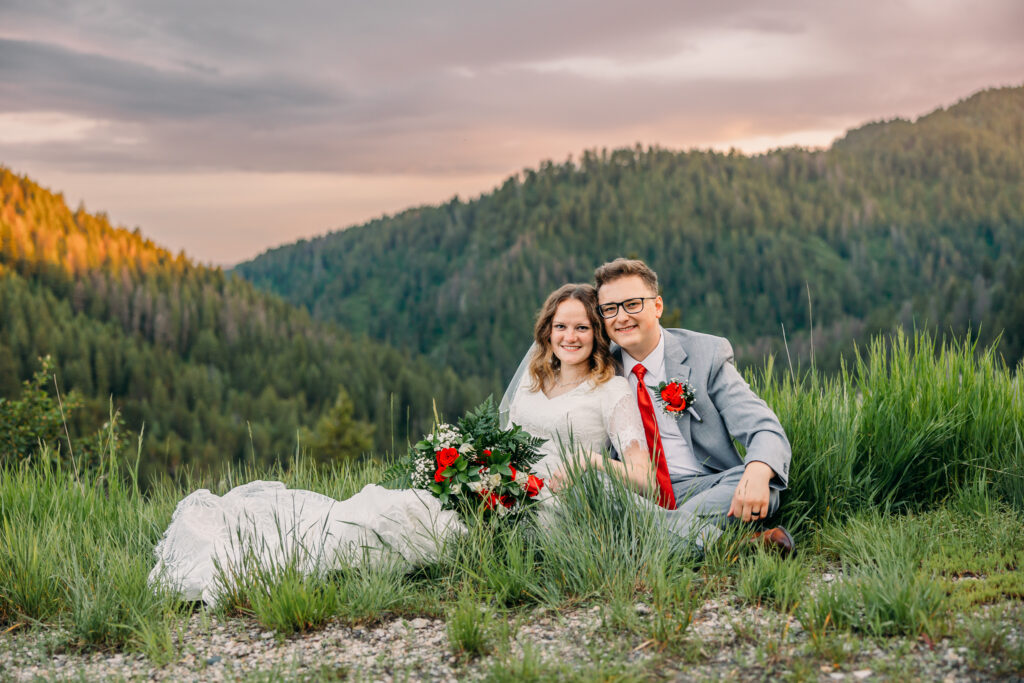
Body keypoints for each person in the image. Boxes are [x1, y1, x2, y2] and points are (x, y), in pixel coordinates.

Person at [593, 258, 794, 554]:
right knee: (593, 483)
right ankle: (730, 547)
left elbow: (763, 427)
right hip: (636, 490)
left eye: (632, 304)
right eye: (610, 309)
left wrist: (759, 469)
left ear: (657, 306)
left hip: (707, 487)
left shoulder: (706, 354)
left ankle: (652, 536)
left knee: (762, 482)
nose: (621, 317)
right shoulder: (598, 368)